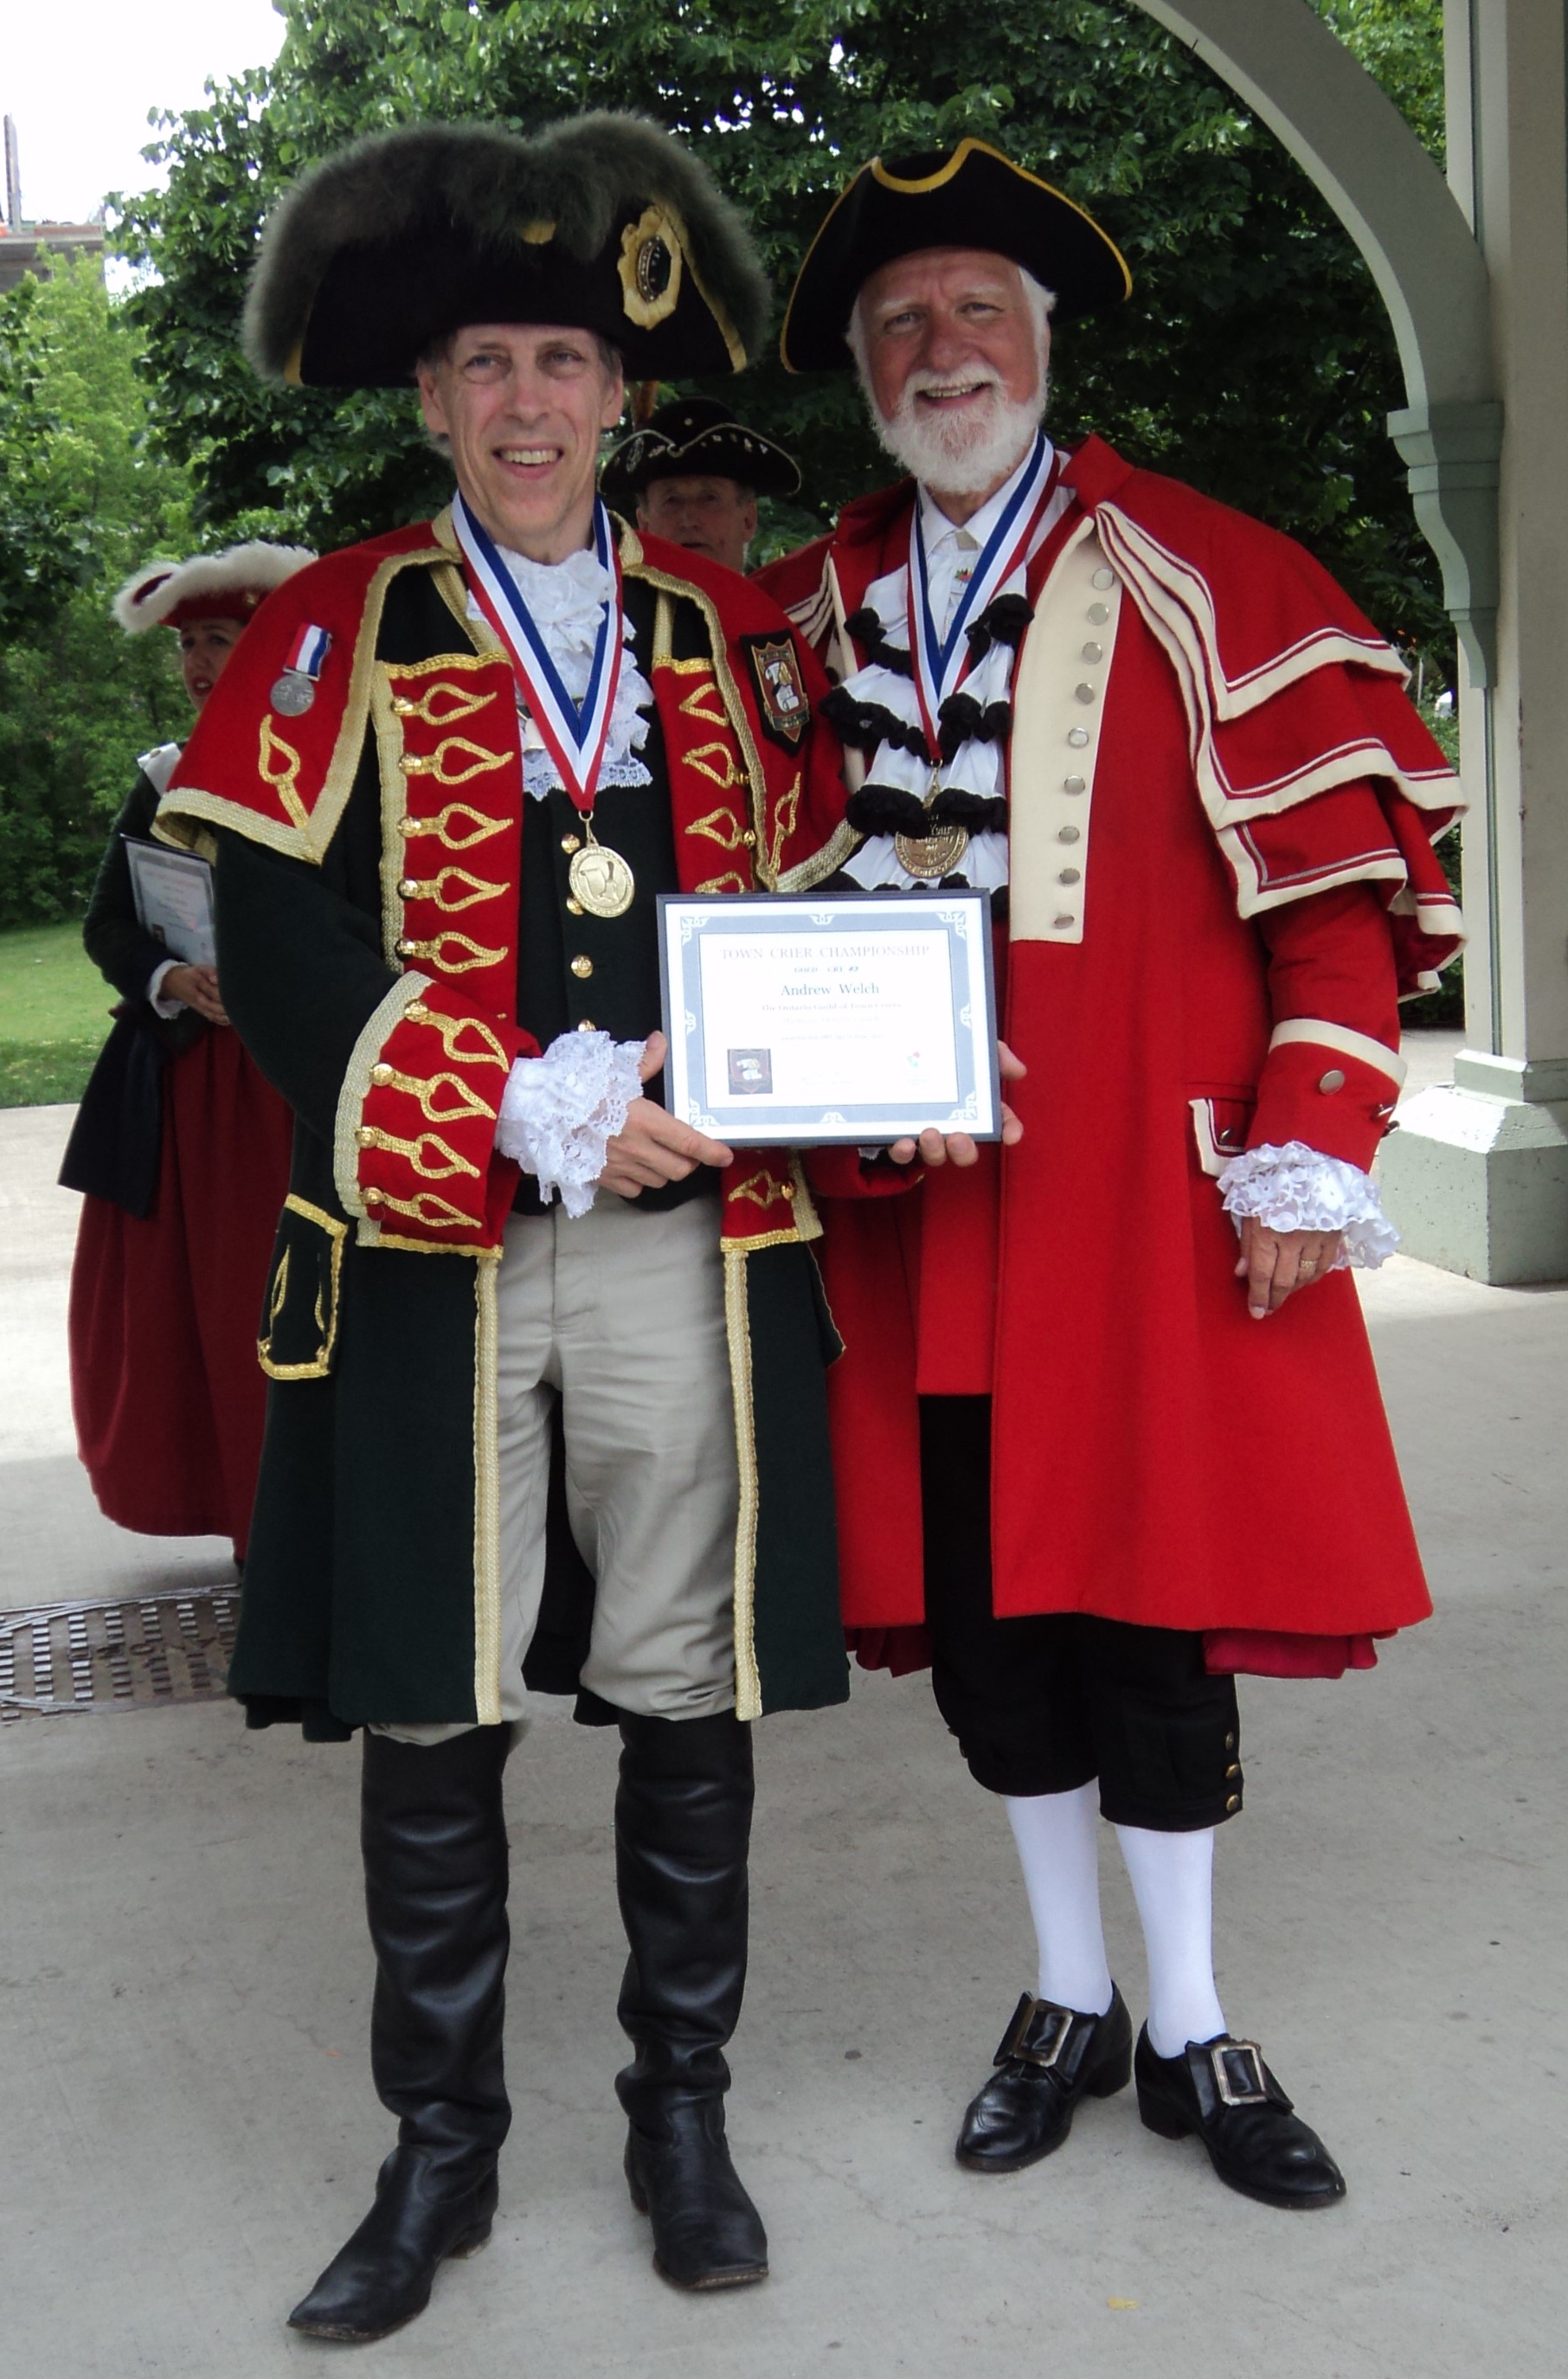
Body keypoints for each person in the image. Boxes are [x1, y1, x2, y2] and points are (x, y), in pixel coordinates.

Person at [153, 114, 851, 2340]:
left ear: (620, 394)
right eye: (487, 363)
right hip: (438, 1244)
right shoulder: (346, 618)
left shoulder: (720, 627)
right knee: (428, 1702)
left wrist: (750, 1085)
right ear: (433, 399)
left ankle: (677, 2113)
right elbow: (258, 917)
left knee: (678, 1679)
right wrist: (509, 1099)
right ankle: (438, 2149)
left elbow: (824, 903)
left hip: (684, 1235)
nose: (529, 401)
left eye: (564, 357)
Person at [757, 136, 1465, 2211]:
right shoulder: (809, 604)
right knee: (988, 1617)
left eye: (974, 308)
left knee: (1153, 1620)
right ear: (866, 376)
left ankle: (1184, 2011)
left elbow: (1336, 921)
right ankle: (1057, 1988)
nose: (936, 345)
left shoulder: (1212, 571)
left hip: (1147, 1214)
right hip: (918, 1217)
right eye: (897, 323)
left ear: (1042, 344)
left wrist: (1301, 1153)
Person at [61, 543, 311, 1562]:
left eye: (222, 639)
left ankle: (311, 1520)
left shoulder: (331, 767)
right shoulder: (163, 775)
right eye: (192, 645)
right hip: (189, 1094)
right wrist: (171, 982)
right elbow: (107, 928)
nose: (202, 663)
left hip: (292, 1082)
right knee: (206, 1316)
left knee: (291, 1303)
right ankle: (250, 1524)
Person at [601, 390, 801, 571]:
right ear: (644, 525)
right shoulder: (604, 612)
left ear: (748, 520)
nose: (688, 520)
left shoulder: (777, 612)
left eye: (709, 498)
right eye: (671, 501)